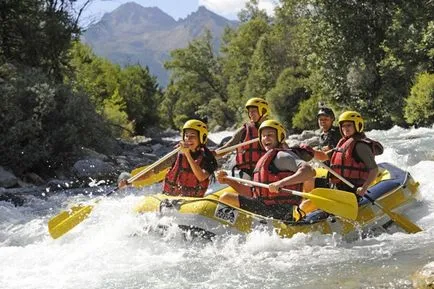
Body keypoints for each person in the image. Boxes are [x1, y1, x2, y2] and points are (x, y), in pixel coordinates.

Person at [216, 120, 316, 220]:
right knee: (227, 198)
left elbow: (309, 171)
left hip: (280, 211)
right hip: (265, 208)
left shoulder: (282, 155)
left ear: (279, 137)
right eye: (263, 136)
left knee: (226, 198)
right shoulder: (264, 160)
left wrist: (280, 183)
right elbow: (252, 193)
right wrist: (229, 181)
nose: (265, 138)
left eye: (270, 135)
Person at [119, 119, 217, 197]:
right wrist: (129, 182)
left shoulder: (208, 158)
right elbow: (152, 171)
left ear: (202, 138)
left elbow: (201, 176)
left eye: (192, 136)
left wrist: (188, 155)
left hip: (194, 202)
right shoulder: (176, 154)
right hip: (171, 198)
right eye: (186, 136)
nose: (188, 139)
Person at [316, 111, 383, 197]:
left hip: (352, 190)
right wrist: (307, 151)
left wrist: (364, 187)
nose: (345, 128)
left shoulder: (360, 146)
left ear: (357, 125)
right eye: (343, 126)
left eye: (349, 125)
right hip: (339, 186)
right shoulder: (343, 143)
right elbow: (323, 156)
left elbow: (374, 170)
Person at [215, 97, 269, 179]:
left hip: (266, 170)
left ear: (263, 111)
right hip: (247, 171)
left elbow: (284, 149)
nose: (251, 114)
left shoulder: (273, 130)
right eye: (249, 112)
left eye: (253, 111)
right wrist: (209, 155)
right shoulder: (244, 130)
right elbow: (227, 147)